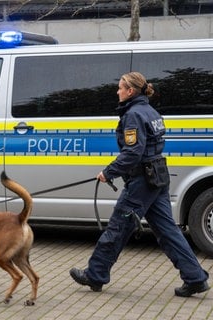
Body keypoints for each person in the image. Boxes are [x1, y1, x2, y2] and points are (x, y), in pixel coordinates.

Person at [70, 72, 210, 297]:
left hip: (142, 181)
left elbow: (133, 152)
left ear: (130, 91)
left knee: (118, 227)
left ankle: (95, 274)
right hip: (156, 177)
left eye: (120, 88)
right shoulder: (150, 111)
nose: (117, 91)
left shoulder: (133, 115)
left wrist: (109, 172)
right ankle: (195, 278)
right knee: (168, 232)